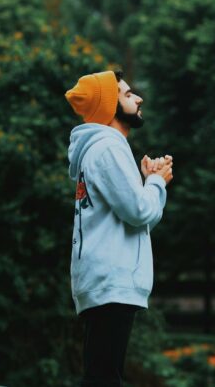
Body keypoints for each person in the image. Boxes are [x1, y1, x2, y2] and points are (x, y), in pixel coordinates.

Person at [64, 70, 173, 387]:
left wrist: (146, 183)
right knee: (104, 379)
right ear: (109, 106)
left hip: (104, 280)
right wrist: (156, 182)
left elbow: (134, 213)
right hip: (111, 281)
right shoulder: (108, 149)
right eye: (127, 94)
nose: (138, 98)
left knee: (101, 376)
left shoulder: (102, 150)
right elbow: (140, 211)